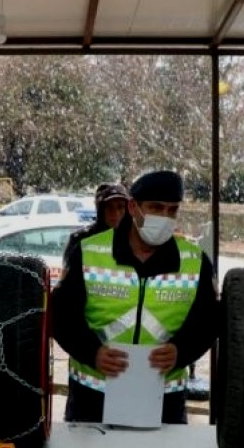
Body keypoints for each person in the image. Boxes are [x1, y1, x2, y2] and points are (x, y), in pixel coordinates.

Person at [52, 170, 217, 424]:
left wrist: (180, 351)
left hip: (164, 399)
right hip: (93, 397)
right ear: (133, 207)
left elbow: (207, 322)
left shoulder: (194, 260)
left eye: (172, 210)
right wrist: (92, 352)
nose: (164, 217)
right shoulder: (88, 252)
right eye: (155, 207)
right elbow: (62, 317)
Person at [63, 182, 130, 263]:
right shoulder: (81, 240)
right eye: (109, 207)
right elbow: (69, 273)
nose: (115, 213)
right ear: (100, 209)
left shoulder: (135, 240)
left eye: (120, 207)